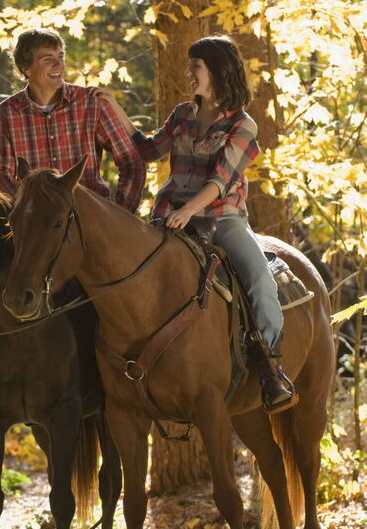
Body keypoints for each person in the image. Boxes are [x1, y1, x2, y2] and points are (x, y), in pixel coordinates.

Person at [0, 27, 146, 429]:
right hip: (28, 233)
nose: (59, 64)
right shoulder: (7, 114)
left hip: (89, 234)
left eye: (61, 55)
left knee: (120, 303)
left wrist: (117, 216)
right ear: (25, 68)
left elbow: (132, 163)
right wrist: (26, 216)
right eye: (47, 58)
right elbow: (0, 175)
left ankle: (139, 387)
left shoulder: (91, 105)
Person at [96, 34, 298, 415]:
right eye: (191, 65)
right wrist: (114, 107)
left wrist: (190, 211)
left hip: (222, 220)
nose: (189, 72)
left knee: (260, 280)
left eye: (196, 66)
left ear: (218, 71)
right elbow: (148, 149)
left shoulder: (243, 125)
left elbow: (220, 181)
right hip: (170, 217)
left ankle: (272, 370)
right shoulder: (182, 115)